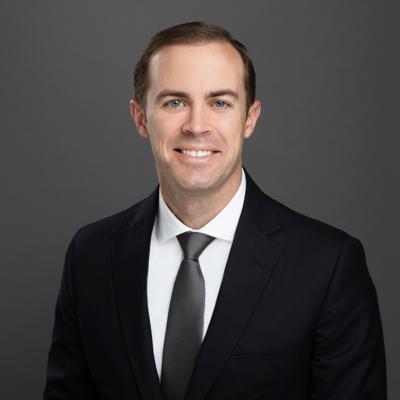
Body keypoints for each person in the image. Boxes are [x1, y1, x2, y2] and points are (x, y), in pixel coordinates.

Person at [43, 21, 387, 399]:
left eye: (220, 102)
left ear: (250, 118)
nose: (197, 126)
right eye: (175, 102)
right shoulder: (90, 254)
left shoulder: (327, 265)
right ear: (141, 118)